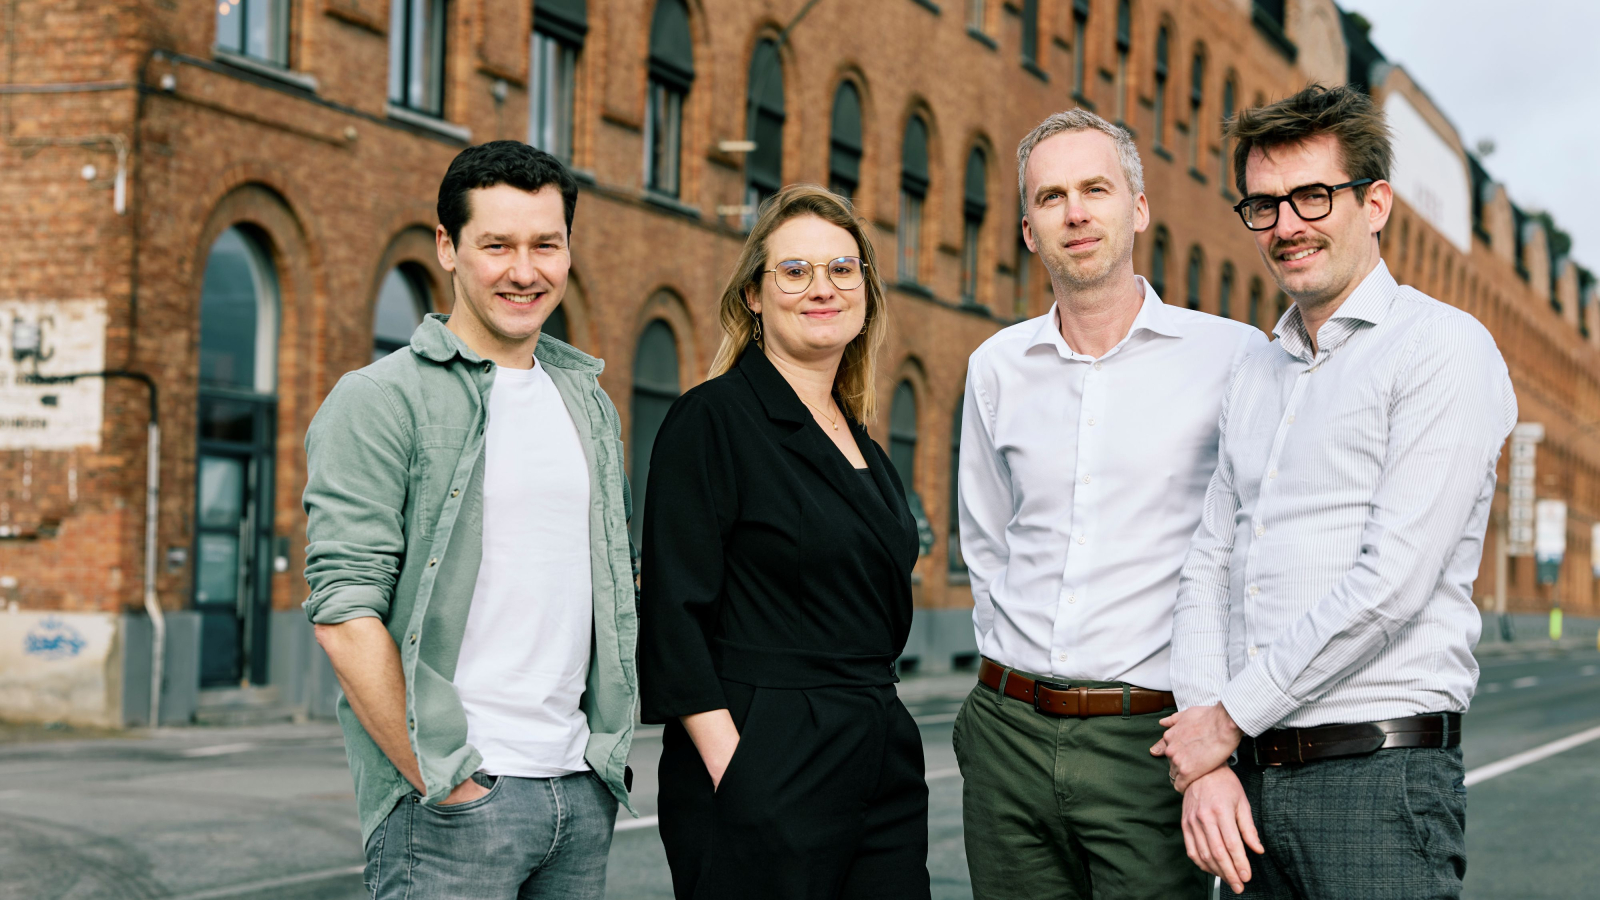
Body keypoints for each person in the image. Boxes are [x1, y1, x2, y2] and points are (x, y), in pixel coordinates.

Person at [1155, 84, 1517, 899]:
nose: (1287, 226)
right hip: (1248, 785)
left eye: (1313, 196)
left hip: (1378, 785)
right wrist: (1208, 763)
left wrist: (1224, 718)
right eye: (1264, 204)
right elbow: (1209, 564)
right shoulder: (1255, 369)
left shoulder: (1441, 349)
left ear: (1376, 202)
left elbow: (1391, 583)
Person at [303, 141, 638, 900]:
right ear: (448, 249)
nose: (525, 271)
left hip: (578, 789)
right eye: (497, 245)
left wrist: (600, 759)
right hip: (452, 805)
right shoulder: (380, 399)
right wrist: (444, 778)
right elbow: (343, 612)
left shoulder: (588, 401)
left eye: (545, 245)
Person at [953, 108, 1265, 900]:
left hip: (1150, 739)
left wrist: (1219, 729)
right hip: (1008, 733)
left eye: (1096, 188)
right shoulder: (996, 366)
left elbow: (1251, 553)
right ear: (1029, 229)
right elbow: (987, 541)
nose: (1077, 212)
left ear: (1140, 206)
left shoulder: (1233, 357)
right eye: (1052, 197)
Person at [639, 184, 930, 900]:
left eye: (841, 269)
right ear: (755, 298)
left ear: (865, 293)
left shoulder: (861, 440)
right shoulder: (712, 421)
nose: (821, 288)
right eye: (794, 271)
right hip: (765, 754)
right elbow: (672, 616)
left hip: (878, 753)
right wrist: (739, 775)